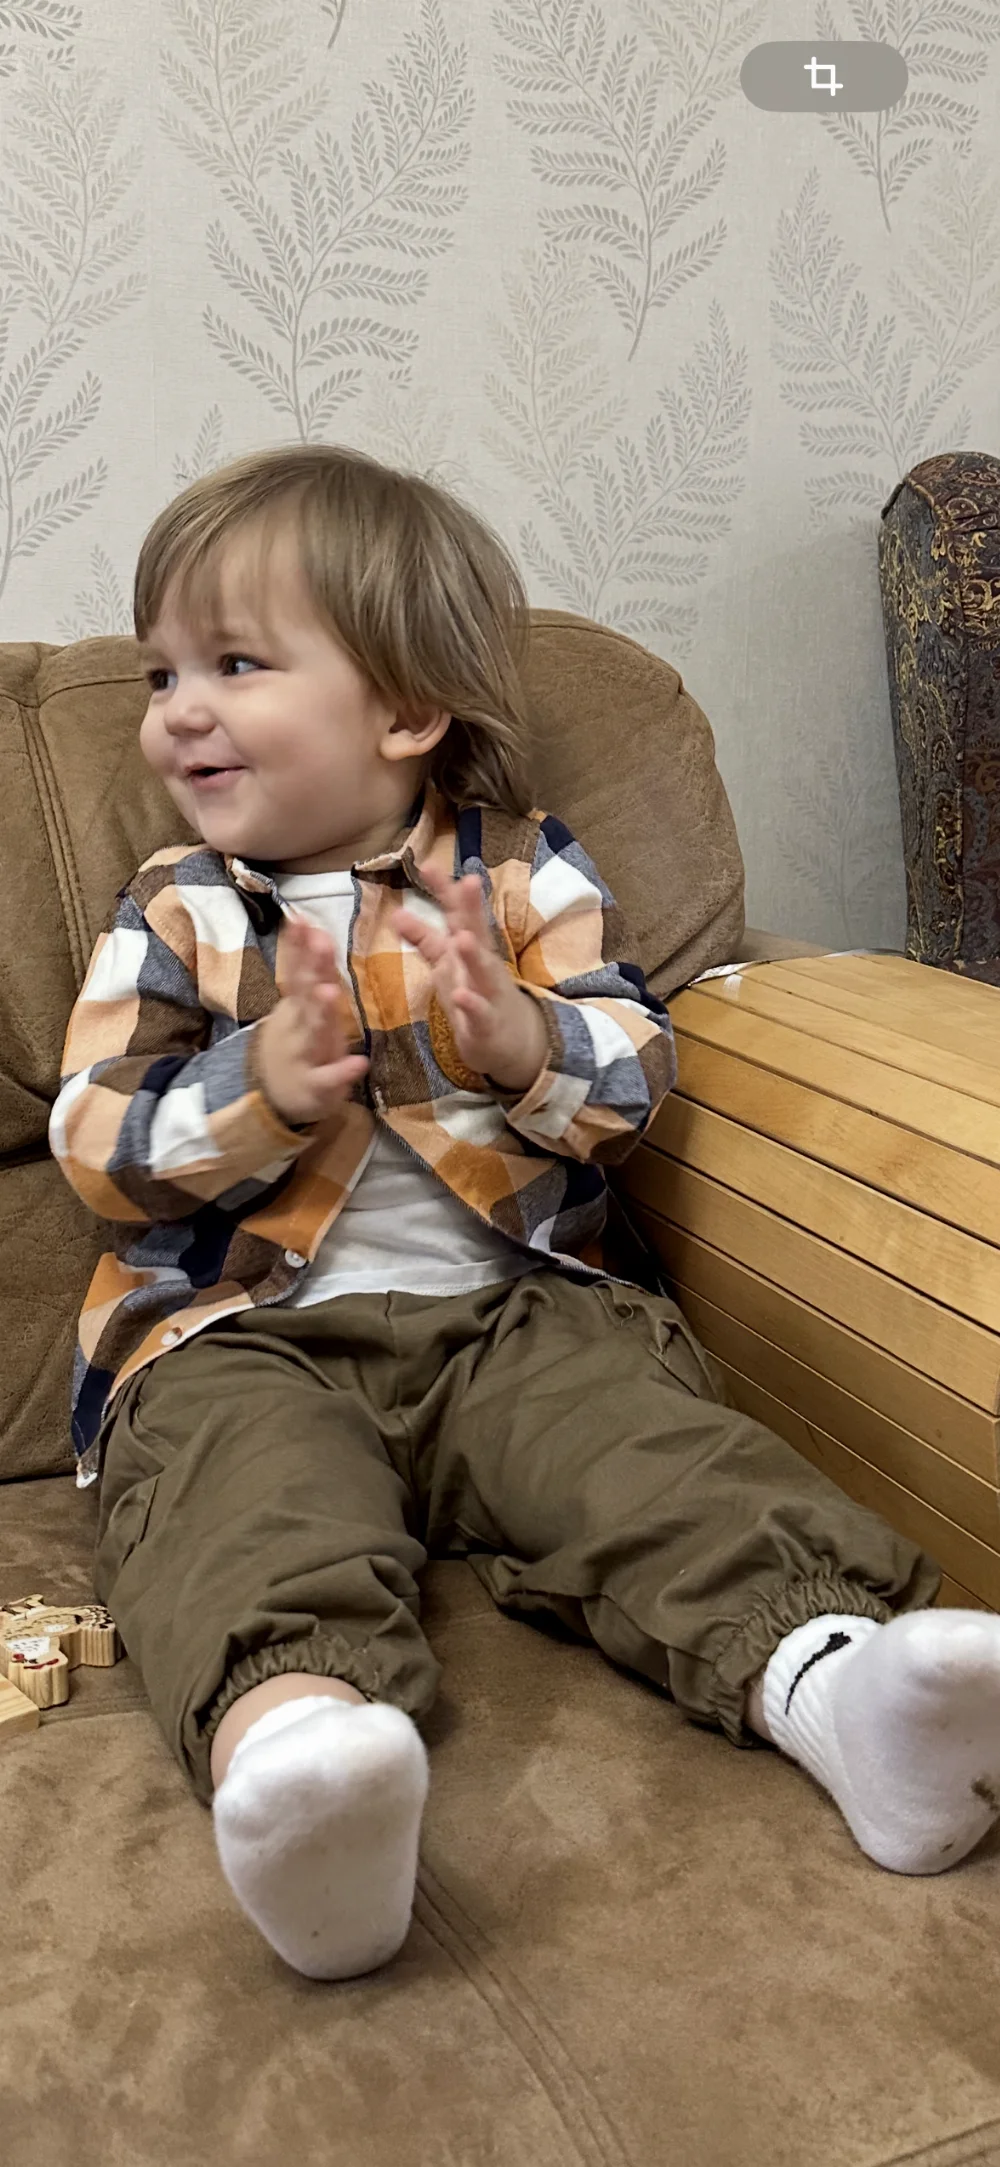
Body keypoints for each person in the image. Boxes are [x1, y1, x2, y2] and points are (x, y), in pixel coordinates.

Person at [49, 443, 1000, 1984]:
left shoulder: (520, 876)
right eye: (163, 673)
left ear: (405, 711)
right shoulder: (176, 905)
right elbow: (94, 1139)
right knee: (243, 1506)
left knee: (654, 1457)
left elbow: (632, 1085)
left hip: (515, 1316)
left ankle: (848, 1690)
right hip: (239, 1338)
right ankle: (304, 1768)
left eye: (233, 663)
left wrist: (519, 1041)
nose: (175, 711)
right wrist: (258, 1087)